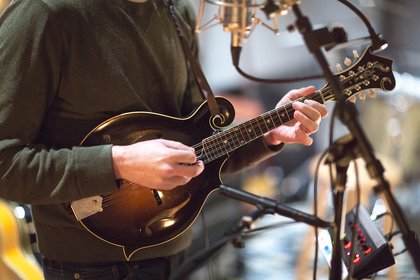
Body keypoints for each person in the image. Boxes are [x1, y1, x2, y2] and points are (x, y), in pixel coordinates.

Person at [0, 0, 328, 279]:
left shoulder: (175, 12)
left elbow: (196, 147)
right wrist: (118, 163)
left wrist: (266, 136)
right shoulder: (45, 15)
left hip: (178, 251)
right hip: (90, 266)